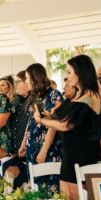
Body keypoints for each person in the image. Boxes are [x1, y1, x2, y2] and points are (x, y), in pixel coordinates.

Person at [34, 54, 101, 200]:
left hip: (83, 152)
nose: (67, 76)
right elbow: (61, 117)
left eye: (70, 72)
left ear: (80, 74)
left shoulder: (90, 95)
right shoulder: (77, 96)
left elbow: (66, 125)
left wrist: (41, 120)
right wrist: (48, 115)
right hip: (70, 152)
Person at [19, 63, 62, 192]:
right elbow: (31, 121)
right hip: (32, 145)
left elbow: (54, 124)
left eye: (27, 78)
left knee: (49, 185)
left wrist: (44, 150)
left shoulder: (54, 94)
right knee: (34, 184)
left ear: (34, 77)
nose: (26, 82)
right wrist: (23, 143)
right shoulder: (34, 96)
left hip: (48, 147)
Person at [10, 71, 30, 156]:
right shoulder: (16, 100)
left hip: (27, 147)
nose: (16, 85)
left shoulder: (36, 99)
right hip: (15, 147)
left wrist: (24, 143)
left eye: (18, 82)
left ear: (27, 82)